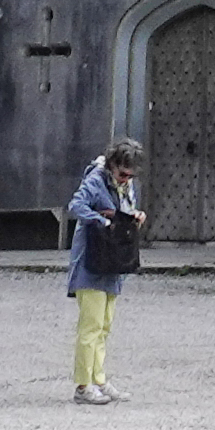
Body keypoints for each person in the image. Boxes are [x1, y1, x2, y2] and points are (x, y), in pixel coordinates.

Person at [64, 136, 147, 405]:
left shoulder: (125, 185)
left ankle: (98, 379)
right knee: (90, 327)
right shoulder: (95, 181)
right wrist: (102, 221)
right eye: (122, 174)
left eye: (130, 175)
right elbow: (75, 206)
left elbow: (126, 209)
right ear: (111, 165)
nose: (126, 179)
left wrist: (135, 215)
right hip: (91, 261)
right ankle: (82, 385)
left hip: (112, 260)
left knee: (104, 326)